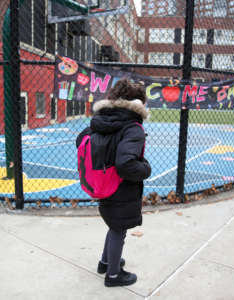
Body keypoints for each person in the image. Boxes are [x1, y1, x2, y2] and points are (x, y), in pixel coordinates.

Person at [76, 78, 151, 287]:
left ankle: (106, 262)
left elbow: (79, 140)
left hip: (102, 184)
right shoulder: (133, 128)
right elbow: (125, 164)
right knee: (119, 228)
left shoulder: (102, 120)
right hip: (120, 187)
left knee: (113, 224)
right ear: (137, 104)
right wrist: (145, 169)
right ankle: (114, 275)